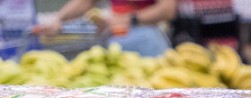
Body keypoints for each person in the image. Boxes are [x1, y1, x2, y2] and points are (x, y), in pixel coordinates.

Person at [32, 0, 176, 57]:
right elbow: (86, 2)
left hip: (148, 42)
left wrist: (128, 19)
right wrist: (58, 18)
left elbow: (167, 10)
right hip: (117, 43)